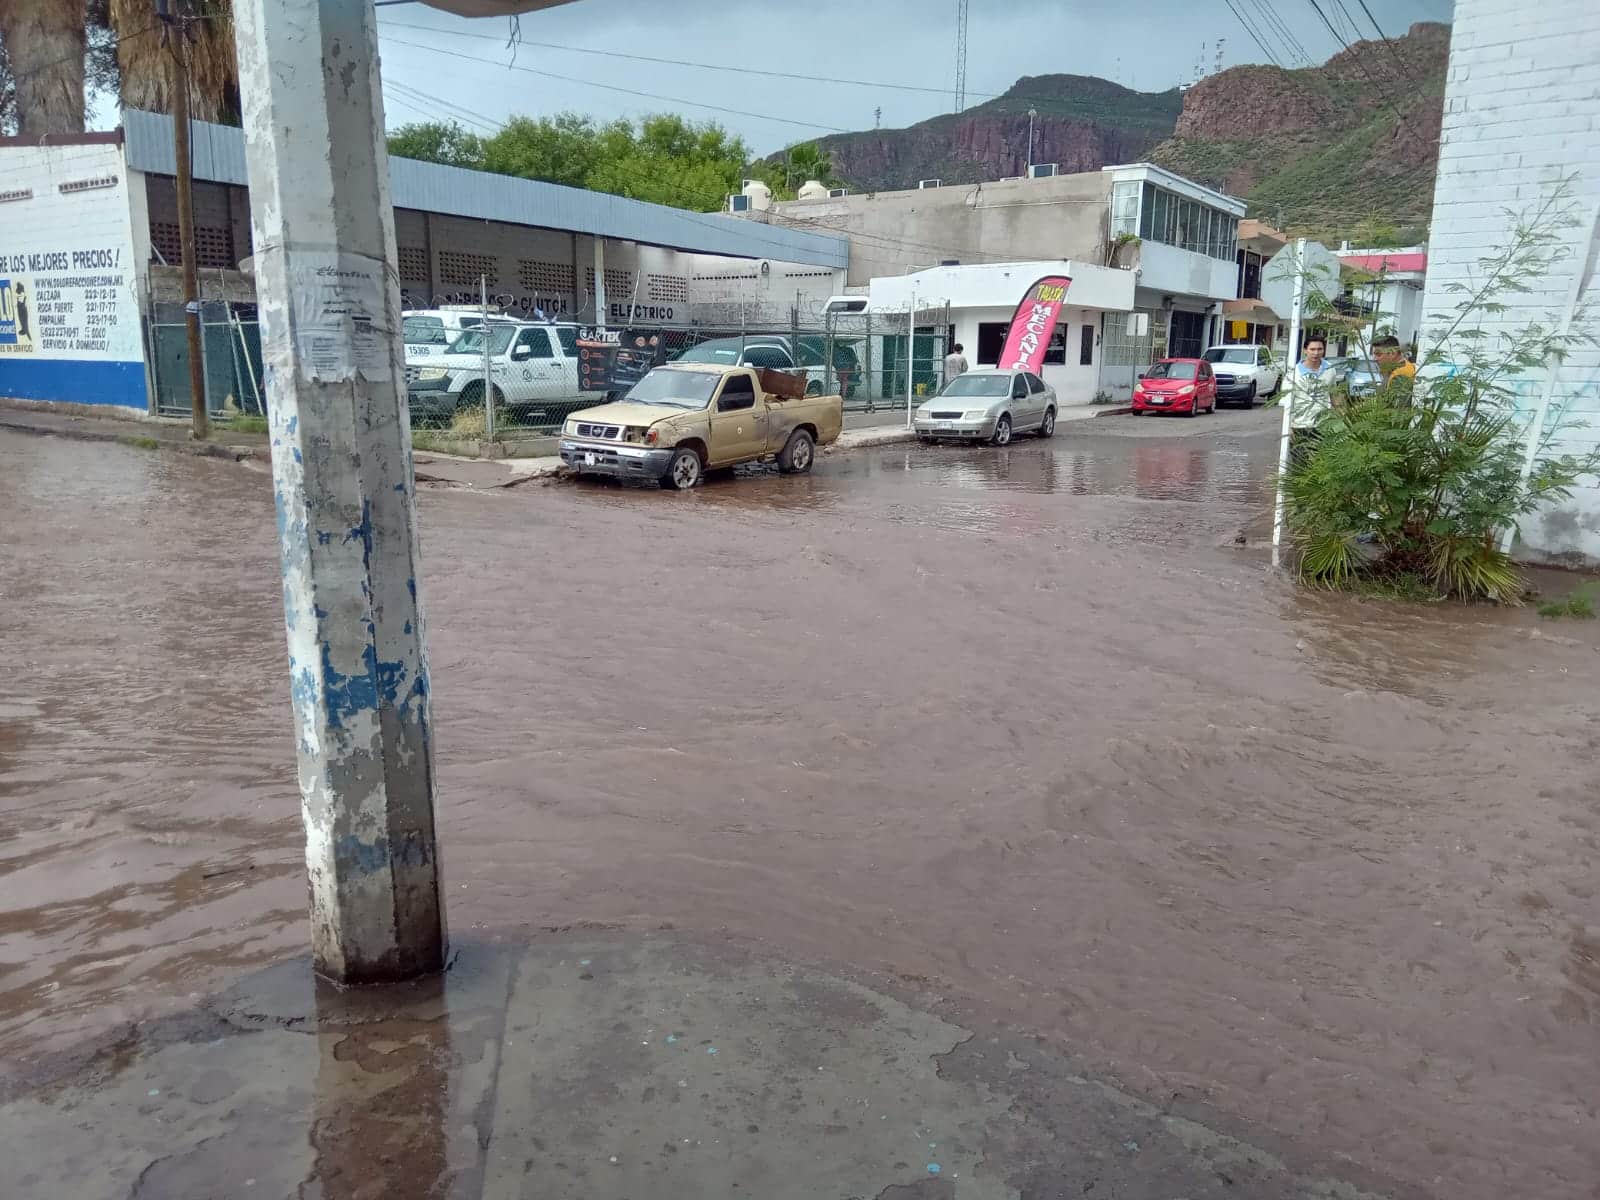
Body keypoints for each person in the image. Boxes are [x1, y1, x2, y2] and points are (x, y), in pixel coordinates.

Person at [1289, 334, 1337, 461]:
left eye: (1319, 349)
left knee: (1321, 463)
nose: (1316, 353)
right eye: (1312, 349)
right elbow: (1287, 402)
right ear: (1305, 350)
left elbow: (1333, 394)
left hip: (1323, 425)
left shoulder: (1330, 370)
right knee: (1300, 463)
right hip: (1299, 425)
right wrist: (1288, 428)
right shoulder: (1294, 373)